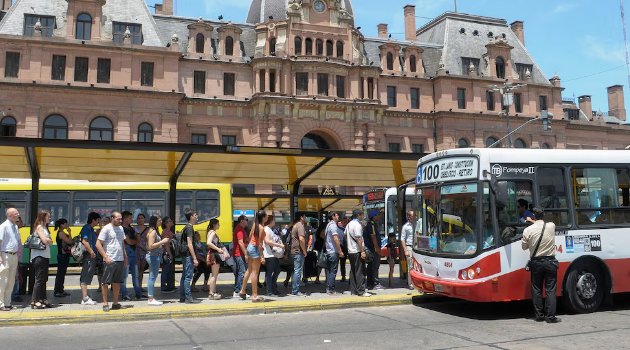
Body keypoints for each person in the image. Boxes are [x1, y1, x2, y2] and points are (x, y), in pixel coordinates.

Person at [521, 206, 560, 323]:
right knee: (550, 289)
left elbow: (524, 247)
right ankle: (550, 317)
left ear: (533, 215)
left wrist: (531, 222)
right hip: (550, 262)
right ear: (543, 215)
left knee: (536, 289)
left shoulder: (528, 230)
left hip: (536, 263)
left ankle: (539, 315)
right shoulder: (551, 226)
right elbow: (543, 224)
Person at [96, 212, 128, 312]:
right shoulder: (106, 229)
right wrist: (105, 257)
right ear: (112, 218)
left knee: (117, 282)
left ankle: (115, 303)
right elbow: (98, 244)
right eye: (118, 219)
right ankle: (105, 303)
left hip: (119, 259)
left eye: (121, 219)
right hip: (110, 260)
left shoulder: (121, 228)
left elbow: (122, 243)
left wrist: (125, 257)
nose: (120, 221)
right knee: (105, 282)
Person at [239, 210, 267, 302]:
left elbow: (251, 235)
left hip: (250, 247)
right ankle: (254, 295)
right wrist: (262, 256)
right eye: (266, 215)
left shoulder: (255, 224)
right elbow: (259, 244)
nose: (267, 217)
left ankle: (242, 290)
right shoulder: (262, 228)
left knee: (249, 270)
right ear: (263, 217)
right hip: (255, 248)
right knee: (255, 272)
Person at [30, 210, 54, 309]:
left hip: (45, 256)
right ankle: (34, 300)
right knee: (39, 279)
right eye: (48, 216)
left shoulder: (45, 228)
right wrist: (48, 240)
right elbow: (45, 241)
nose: (50, 218)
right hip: (38, 256)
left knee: (44, 278)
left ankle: (43, 298)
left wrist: (48, 240)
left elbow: (51, 242)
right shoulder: (39, 227)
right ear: (43, 217)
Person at [120, 211, 146, 301]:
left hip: (133, 254)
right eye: (130, 218)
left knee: (136, 274)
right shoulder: (121, 229)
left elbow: (137, 239)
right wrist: (134, 240)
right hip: (126, 254)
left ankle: (138, 293)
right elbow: (129, 241)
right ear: (125, 219)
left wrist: (137, 233)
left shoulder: (132, 228)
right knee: (124, 276)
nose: (132, 220)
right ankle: (124, 293)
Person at [146, 215, 169, 306]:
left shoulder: (152, 230)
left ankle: (151, 297)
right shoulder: (153, 232)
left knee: (152, 277)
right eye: (159, 220)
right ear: (155, 221)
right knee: (152, 278)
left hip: (154, 256)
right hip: (154, 256)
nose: (161, 222)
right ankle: (151, 298)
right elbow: (151, 246)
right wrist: (162, 241)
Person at [0, 208, 20, 311]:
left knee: (11, 280)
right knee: (3, 280)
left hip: (14, 255)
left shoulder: (15, 226)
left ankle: (8, 303)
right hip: (5, 255)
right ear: (10, 215)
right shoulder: (4, 226)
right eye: (16, 213)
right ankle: (1, 304)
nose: (18, 215)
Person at [347, 209, 371, 297]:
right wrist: (362, 251)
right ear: (359, 215)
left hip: (350, 251)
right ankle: (361, 290)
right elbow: (358, 238)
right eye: (361, 215)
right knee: (360, 271)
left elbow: (345, 236)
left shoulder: (349, 224)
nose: (362, 217)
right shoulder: (357, 225)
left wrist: (350, 245)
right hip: (357, 251)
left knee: (353, 271)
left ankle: (354, 290)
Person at [79, 212, 101, 305]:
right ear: (93, 220)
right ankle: (85, 298)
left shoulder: (91, 229)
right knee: (86, 274)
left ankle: (85, 297)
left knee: (89, 274)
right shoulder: (87, 228)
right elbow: (84, 241)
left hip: (91, 255)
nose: (98, 222)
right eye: (97, 220)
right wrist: (91, 251)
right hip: (88, 255)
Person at [180, 209, 200, 303]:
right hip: (188, 255)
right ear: (191, 217)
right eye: (195, 215)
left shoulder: (186, 227)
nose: (197, 217)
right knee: (188, 277)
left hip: (185, 255)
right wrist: (195, 258)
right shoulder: (189, 228)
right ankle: (188, 297)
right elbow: (190, 244)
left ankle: (182, 296)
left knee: (184, 276)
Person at [263, 215, 284, 296]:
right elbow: (267, 241)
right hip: (269, 254)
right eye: (274, 220)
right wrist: (279, 245)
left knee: (277, 270)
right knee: (270, 273)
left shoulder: (271, 230)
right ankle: (269, 290)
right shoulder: (266, 229)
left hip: (273, 254)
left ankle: (273, 289)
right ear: (271, 221)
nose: (275, 222)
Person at [364, 210, 384, 290]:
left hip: (372, 249)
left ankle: (370, 283)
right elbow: (373, 237)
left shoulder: (373, 224)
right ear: (374, 216)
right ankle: (375, 283)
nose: (379, 216)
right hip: (373, 250)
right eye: (378, 215)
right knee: (374, 267)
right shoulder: (371, 225)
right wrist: (378, 249)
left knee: (371, 267)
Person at [324, 211, 344, 295]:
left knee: (330, 270)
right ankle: (331, 289)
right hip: (333, 251)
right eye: (337, 215)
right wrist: (340, 251)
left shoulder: (329, 225)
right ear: (333, 216)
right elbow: (335, 239)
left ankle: (329, 287)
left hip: (329, 251)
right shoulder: (332, 226)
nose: (338, 216)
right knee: (333, 271)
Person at [290, 212, 308, 297]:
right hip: (298, 252)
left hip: (294, 251)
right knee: (298, 271)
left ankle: (295, 289)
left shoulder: (295, 225)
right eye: (305, 216)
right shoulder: (300, 226)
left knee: (296, 271)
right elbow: (301, 239)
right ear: (301, 217)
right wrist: (304, 251)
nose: (305, 218)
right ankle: (295, 290)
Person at [53, 218, 72, 297]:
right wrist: (70, 233)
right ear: (62, 225)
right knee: (60, 274)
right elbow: (69, 241)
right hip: (62, 255)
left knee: (62, 273)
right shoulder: (61, 233)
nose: (66, 225)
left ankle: (61, 289)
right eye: (65, 224)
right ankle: (58, 291)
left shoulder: (62, 232)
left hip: (64, 255)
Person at [206, 219, 223, 300]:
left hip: (211, 254)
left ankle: (214, 291)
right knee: (214, 275)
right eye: (218, 224)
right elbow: (209, 242)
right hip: (214, 255)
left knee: (214, 274)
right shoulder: (213, 233)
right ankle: (211, 293)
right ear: (214, 225)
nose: (219, 225)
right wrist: (218, 249)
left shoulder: (209, 232)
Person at [232, 215, 249, 298]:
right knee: (242, 272)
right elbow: (240, 242)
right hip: (239, 253)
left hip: (239, 253)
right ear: (241, 221)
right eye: (246, 220)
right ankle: (238, 291)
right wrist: (246, 254)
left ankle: (239, 290)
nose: (247, 221)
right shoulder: (239, 228)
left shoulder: (241, 229)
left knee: (240, 273)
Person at [400, 210, 415, 290]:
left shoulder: (418, 224)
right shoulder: (406, 226)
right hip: (409, 247)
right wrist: (405, 250)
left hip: (417, 247)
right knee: (410, 266)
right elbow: (402, 239)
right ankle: (411, 284)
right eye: (413, 216)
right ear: (409, 217)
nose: (415, 217)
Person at [160, 216, 175, 293]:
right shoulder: (166, 232)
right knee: (166, 270)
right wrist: (170, 254)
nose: (172, 221)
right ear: (166, 224)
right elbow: (166, 244)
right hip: (166, 253)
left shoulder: (168, 231)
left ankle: (169, 285)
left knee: (169, 270)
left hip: (168, 253)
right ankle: (164, 286)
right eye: (170, 221)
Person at [11, 216, 24, 303]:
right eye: (20, 221)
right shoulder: (11, 230)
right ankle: (14, 295)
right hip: (12, 256)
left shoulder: (16, 230)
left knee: (15, 277)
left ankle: (15, 293)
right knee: (14, 277)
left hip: (16, 257)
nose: (22, 223)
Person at [135, 214, 148, 292]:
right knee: (136, 269)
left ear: (144, 219)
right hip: (136, 250)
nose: (140, 220)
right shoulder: (135, 228)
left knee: (141, 270)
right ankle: (137, 286)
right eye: (139, 218)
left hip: (144, 250)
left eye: (142, 218)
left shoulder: (147, 229)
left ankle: (140, 285)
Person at [95, 216, 109, 289]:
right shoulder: (98, 231)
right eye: (104, 222)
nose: (105, 223)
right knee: (100, 271)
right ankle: (100, 286)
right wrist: (101, 229)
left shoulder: (111, 230)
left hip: (109, 252)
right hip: (100, 253)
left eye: (106, 221)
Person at [338, 216, 349, 282]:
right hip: (343, 247)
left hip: (349, 246)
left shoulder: (349, 228)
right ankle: (343, 276)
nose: (345, 223)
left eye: (346, 222)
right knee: (342, 263)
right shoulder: (339, 229)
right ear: (341, 222)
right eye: (344, 222)